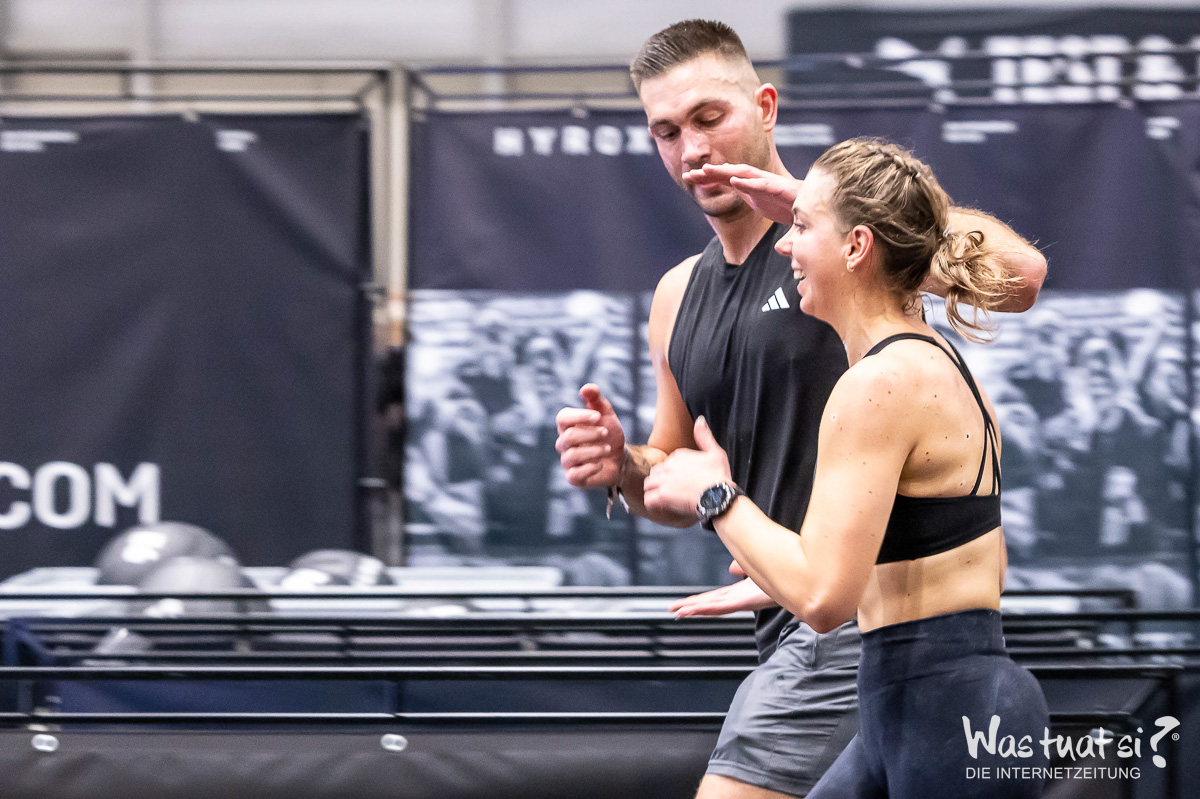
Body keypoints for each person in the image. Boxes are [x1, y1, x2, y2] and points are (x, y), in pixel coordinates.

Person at [555, 20, 1047, 799]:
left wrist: (810, 208)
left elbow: (1018, 277)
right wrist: (624, 465)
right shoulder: (678, 294)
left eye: (709, 118)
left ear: (765, 106)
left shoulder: (852, 263)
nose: (692, 149)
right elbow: (677, 471)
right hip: (823, 616)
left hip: (849, 626)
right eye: (667, 132)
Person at [643, 137, 1049, 798]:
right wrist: (776, 574)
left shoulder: (877, 385)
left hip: (949, 718)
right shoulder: (930, 363)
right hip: (927, 707)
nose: (784, 245)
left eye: (802, 227)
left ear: (857, 246)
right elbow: (961, 556)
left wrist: (715, 495)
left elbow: (824, 601)